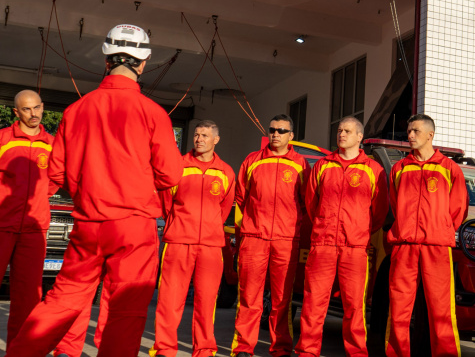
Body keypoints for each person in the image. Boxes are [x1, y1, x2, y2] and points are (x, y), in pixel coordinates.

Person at [6, 24, 184, 357]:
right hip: (134, 227)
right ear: (144, 63)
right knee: (125, 312)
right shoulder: (153, 113)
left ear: (105, 60)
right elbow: (171, 174)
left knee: (62, 301)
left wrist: (89, 190)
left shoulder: (75, 110)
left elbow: (57, 171)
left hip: (87, 225)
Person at [295, 116, 387, 357]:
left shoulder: (373, 170)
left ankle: (356, 353)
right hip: (323, 244)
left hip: (354, 247)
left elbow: (379, 212)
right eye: (339, 131)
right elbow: (311, 202)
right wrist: (324, 226)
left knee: (354, 305)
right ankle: (307, 352)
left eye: (347, 131)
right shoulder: (322, 166)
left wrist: (359, 230)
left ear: (360, 137)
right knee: (314, 302)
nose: (341, 134)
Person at [150, 120, 236, 357]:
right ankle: (164, 349)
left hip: (211, 245)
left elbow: (224, 208)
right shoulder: (178, 166)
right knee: (169, 300)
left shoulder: (226, 172)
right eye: (197, 135)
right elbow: (166, 203)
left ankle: (204, 349)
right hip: (178, 241)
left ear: (216, 140)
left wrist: (209, 227)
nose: (199, 139)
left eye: (205, 135)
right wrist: (179, 225)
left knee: (206, 301)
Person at [385, 114, 467, 357]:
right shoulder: (400, 168)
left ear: (430, 135)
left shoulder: (449, 168)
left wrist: (439, 229)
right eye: (409, 131)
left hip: (436, 246)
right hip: (404, 245)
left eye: (416, 131)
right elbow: (394, 204)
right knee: (398, 308)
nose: (410, 135)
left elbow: (458, 209)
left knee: (441, 310)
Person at [231, 114, 310, 357]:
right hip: (254, 237)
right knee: (249, 296)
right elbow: (240, 198)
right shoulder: (252, 160)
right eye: (273, 129)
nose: (276, 134)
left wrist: (292, 226)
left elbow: (307, 202)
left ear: (291, 135)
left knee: (282, 299)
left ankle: (281, 348)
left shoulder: (301, 164)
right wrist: (247, 228)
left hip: (286, 240)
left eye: (282, 130)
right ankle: (243, 347)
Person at [0, 90, 54, 346]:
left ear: (42, 107)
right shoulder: (3, 139)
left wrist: (39, 198)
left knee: (28, 297)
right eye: (26, 109)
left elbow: (54, 181)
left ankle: (19, 350)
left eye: (37, 108)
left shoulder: (52, 144)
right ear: (16, 112)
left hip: (34, 228)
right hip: (2, 225)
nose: (34, 114)